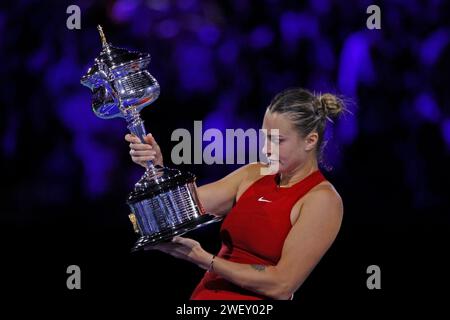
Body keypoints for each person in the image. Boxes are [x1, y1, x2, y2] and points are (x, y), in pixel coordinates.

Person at [125, 88, 344, 300]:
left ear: (310, 140)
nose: (266, 149)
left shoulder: (322, 199)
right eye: (266, 137)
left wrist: (204, 259)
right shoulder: (254, 174)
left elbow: (282, 285)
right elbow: (172, 212)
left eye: (278, 141)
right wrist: (156, 169)